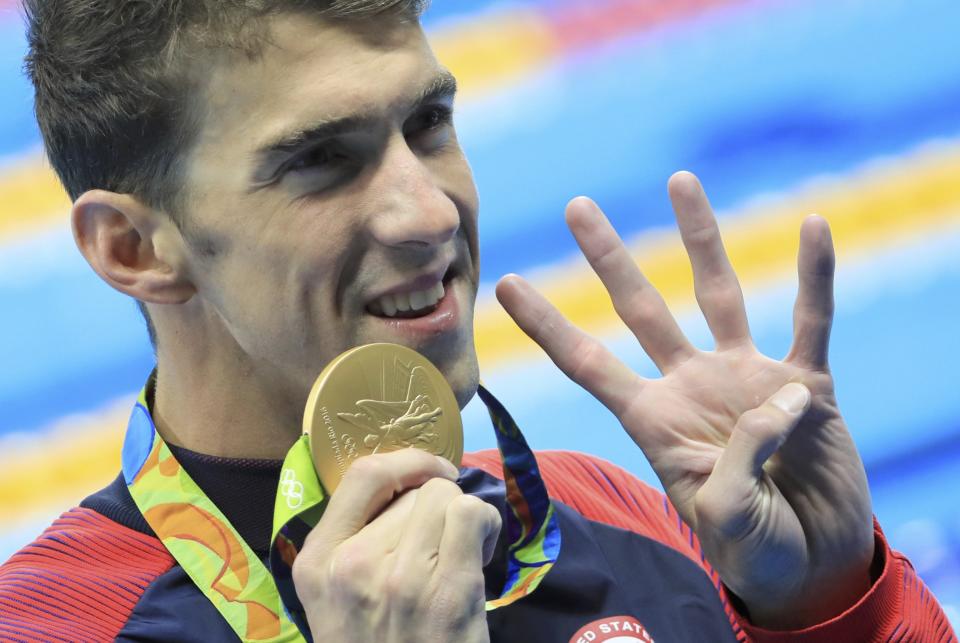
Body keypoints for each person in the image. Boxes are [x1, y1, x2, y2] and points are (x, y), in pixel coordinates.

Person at [0, 0, 954, 641]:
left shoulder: (620, 516)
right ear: (134, 248)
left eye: (427, 125)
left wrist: (833, 610)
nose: (429, 212)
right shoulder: (55, 624)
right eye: (322, 161)